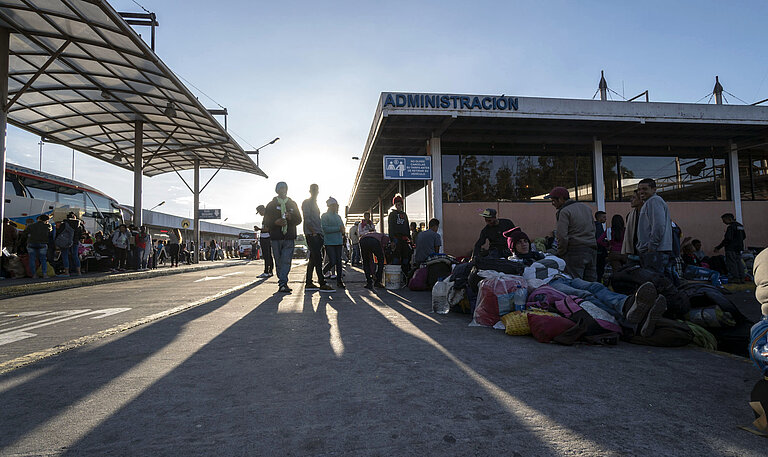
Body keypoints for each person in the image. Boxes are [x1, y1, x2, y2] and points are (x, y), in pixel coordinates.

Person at [545, 186, 597, 281]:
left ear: (561, 199)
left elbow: (562, 236)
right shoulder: (586, 208)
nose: (552, 204)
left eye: (553, 201)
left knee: (576, 283)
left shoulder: (564, 211)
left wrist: (561, 252)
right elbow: (593, 228)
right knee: (592, 283)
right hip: (591, 250)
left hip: (575, 252)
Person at [264, 181, 302, 293]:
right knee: (278, 260)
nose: (283, 190)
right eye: (281, 188)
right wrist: (275, 222)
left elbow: (299, 219)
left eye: (285, 188)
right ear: (277, 190)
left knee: (286, 260)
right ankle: (282, 280)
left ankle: (283, 282)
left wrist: (291, 218)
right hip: (276, 237)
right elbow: (266, 221)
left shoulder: (292, 203)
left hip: (288, 236)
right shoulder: (271, 205)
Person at [636, 178, 674, 279]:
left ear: (654, 189)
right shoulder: (650, 202)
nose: (641, 192)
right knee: (665, 283)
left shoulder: (654, 201)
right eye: (639, 189)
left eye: (644, 189)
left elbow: (658, 226)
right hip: (657, 251)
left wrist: (651, 247)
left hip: (656, 251)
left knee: (656, 283)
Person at [302, 184, 333, 292]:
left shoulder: (315, 203)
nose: (315, 192)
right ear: (310, 191)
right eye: (313, 190)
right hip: (312, 234)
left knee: (313, 259)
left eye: (317, 190)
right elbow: (307, 218)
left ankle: (309, 283)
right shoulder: (307, 202)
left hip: (317, 233)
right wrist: (313, 231)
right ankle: (322, 282)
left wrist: (319, 233)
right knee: (318, 258)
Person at [715, 212, 747, 284]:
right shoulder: (740, 226)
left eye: (724, 220)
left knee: (732, 264)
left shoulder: (731, 227)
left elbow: (727, 239)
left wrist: (718, 247)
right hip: (739, 248)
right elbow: (744, 237)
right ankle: (742, 278)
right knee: (739, 263)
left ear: (729, 219)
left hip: (731, 248)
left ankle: (735, 278)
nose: (723, 222)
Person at [322, 197, 346, 289]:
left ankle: (339, 281)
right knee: (333, 261)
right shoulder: (324, 216)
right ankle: (323, 272)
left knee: (339, 262)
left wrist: (342, 231)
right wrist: (338, 229)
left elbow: (342, 227)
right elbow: (325, 229)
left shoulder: (338, 216)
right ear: (330, 206)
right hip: (329, 242)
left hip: (338, 242)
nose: (336, 207)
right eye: (335, 205)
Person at [23, 214, 52, 279]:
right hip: (42, 243)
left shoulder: (31, 226)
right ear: (47, 220)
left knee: (32, 259)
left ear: (39, 219)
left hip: (31, 243)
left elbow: (25, 234)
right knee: (43, 259)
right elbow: (50, 233)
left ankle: (34, 274)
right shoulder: (47, 226)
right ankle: (44, 274)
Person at [388, 194, 412, 273]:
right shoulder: (392, 214)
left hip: (404, 238)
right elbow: (390, 227)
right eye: (397, 205)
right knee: (396, 256)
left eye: (400, 204)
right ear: (395, 205)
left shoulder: (404, 215)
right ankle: (396, 273)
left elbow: (407, 227)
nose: (398, 206)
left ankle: (405, 273)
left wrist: (410, 239)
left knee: (406, 256)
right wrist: (392, 240)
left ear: (402, 205)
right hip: (396, 238)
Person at [58, 212, 85, 276]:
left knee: (65, 256)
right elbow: (81, 235)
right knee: (75, 256)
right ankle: (79, 272)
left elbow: (59, 232)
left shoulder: (64, 224)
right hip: (75, 242)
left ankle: (67, 272)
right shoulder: (79, 225)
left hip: (66, 242)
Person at [621, 190, 643, 258]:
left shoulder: (648, 213)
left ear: (641, 199)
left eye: (634, 197)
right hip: (634, 252)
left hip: (645, 252)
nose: (631, 200)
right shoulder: (631, 215)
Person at [256, 205, 273, 278]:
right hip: (265, 237)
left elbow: (268, 229)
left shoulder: (267, 217)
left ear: (263, 210)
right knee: (268, 255)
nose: (259, 213)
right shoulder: (266, 217)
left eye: (260, 212)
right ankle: (270, 271)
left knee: (266, 255)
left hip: (266, 238)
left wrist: (258, 229)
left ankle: (267, 271)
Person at [594, 211, 608, 281]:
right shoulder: (599, 226)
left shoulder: (594, 225)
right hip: (599, 251)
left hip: (596, 251)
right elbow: (599, 240)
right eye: (604, 217)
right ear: (599, 218)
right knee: (600, 270)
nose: (606, 219)